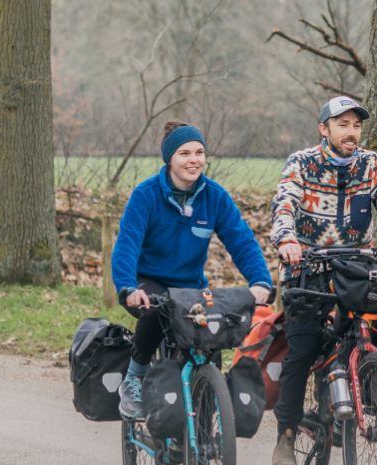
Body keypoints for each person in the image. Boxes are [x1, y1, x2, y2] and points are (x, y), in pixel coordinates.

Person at [268, 96, 377, 465]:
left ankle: (371, 391)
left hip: (353, 266)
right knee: (303, 349)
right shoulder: (303, 162)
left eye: (356, 125)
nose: (351, 132)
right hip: (307, 266)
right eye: (342, 124)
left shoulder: (369, 163)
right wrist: (287, 240)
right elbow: (284, 204)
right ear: (323, 129)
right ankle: (287, 435)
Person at [112, 121, 273, 421]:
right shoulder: (145, 195)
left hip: (191, 287)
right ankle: (134, 378)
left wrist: (260, 280)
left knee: (211, 335)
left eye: (199, 152)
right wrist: (127, 287)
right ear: (169, 159)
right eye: (184, 153)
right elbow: (127, 245)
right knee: (154, 309)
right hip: (150, 281)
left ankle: (205, 438)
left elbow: (241, 240)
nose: (194, 159)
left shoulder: (215, 196)